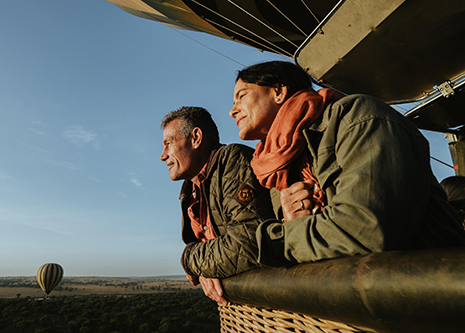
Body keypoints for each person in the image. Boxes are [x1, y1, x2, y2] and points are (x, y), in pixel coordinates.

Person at [229, 61, 465, 266]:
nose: (232, 111)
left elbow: (365, 230)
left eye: (241, 96)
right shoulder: (273, 168)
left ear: (278, 91)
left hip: (433, 286)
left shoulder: (358, 118)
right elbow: (313, 236)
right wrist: (294, 226)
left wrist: (278, 239)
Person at [160, 106, 275, 305]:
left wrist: (189, 260)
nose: (163, 156)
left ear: (196, 138)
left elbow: (247, 244)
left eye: (168, 143)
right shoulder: (191, 190)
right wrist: (207, 266)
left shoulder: (232, 161)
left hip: (269, 305)